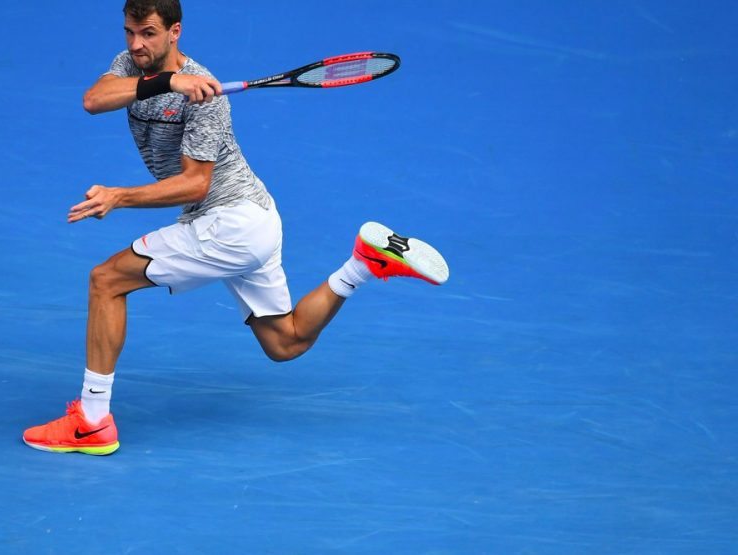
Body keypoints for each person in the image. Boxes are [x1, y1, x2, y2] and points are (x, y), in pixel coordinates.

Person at [22, 0, 449, 455]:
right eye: (130, 31)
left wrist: (119, 196)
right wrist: (167, 81)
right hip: (254, 220)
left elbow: (195, 185)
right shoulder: (133, 64)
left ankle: (91, 422)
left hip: (231, 222)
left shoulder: (208, 99)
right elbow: (93, 100)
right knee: (286, 342)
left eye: (148, 33)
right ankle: (363, 264)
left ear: (174, 31)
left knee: (106, 281)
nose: (136, 43)